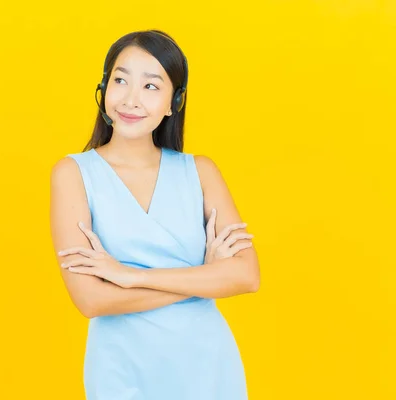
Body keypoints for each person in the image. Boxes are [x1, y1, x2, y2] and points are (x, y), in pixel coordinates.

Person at [49, 29, 260, 400]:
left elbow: (246, 275)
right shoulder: (73, 173)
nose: (131, 99)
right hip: (121, 370)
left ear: (173, 103)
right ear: (103, 90)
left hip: (207, 367)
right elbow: (91, 301)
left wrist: (128, 277)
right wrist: (203, 277)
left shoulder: (201, 171)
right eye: (120, 80)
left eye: (151, 86)